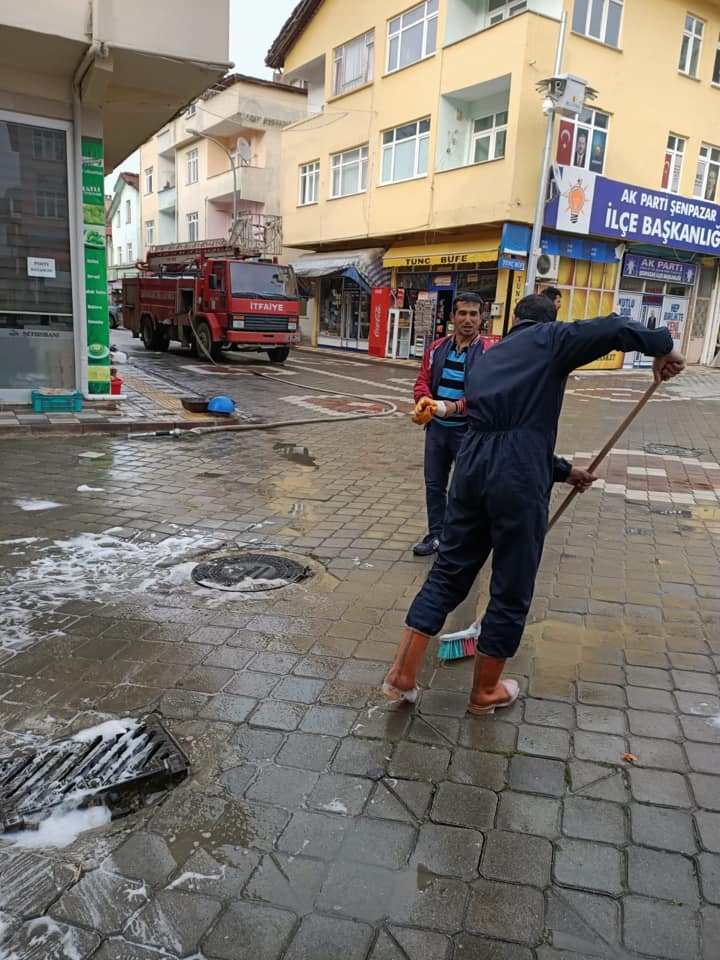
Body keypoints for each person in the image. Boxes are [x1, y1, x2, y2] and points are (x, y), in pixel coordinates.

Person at [384, 295, 686, 712]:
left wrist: (563, 471)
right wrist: (664, 348)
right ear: (551, 320)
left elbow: (498, 429)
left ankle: (401, 675)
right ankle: (484, 692)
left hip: (472, 469)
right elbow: (616, 326)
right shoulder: (553, 338)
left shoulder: (489, 355)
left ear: (513, 319)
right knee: (511, 585)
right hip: (517, 477)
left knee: (448, 573)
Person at [411, 292, 484, 556]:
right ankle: (436, 536)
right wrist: (423, 400)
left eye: (473, 314)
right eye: (462, 313)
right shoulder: (436, 348)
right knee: (434, 485)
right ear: (452, 317)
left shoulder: (487, 352)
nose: (468, 319)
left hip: (468, 432)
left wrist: (456, 407)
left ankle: (458, 539)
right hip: (437, 430)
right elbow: (422, 380)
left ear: (481, 318)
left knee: (463, 489)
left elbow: (484, 393)